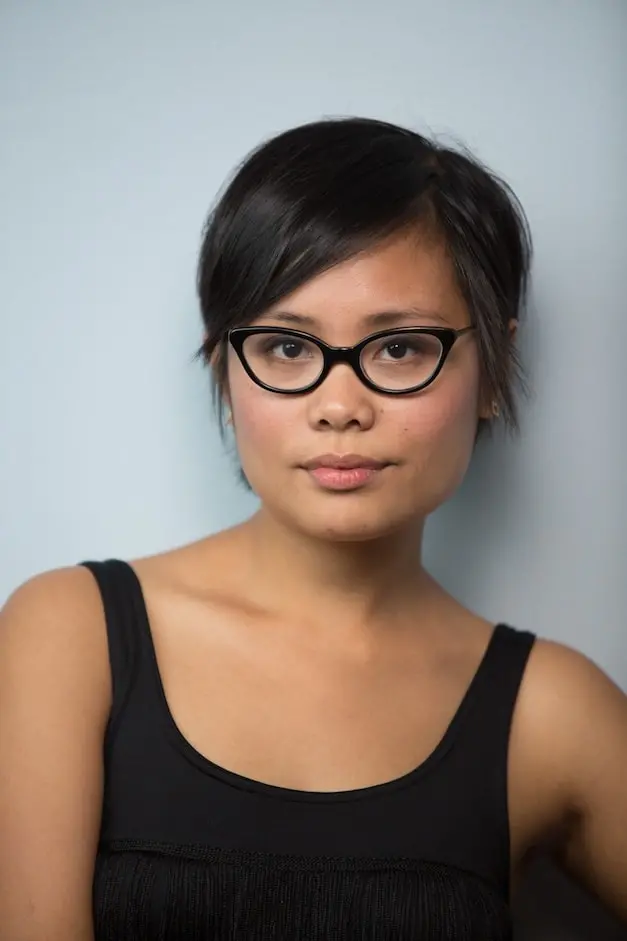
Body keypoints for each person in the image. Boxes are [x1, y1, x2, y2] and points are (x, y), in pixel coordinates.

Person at [1, 117, 626, 941]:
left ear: (491, 374)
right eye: (287, 347)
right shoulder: (70, 633)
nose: (339, 405)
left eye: (400, 347)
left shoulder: (551, 709)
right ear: (224, 364)